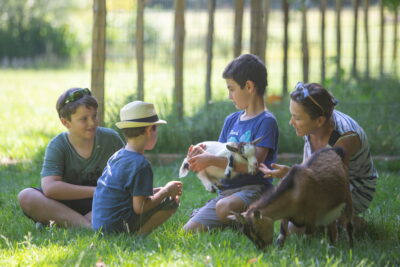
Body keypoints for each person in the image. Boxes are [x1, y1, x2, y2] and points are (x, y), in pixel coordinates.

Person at [183, 54, 279, 231]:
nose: (229, 96)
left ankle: (253, 221)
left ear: (249, 86)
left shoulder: (266, 122)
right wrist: (200, 161)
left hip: (254, 190)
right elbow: (220, 158)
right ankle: (235, 220)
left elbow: (252, 166)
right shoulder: (231, 120)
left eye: (232, 89)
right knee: (189, 231)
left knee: (224, 208)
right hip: (226, 193)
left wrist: (210, 160)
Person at [259, 82, 378, 221]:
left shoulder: (345, 138)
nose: (291, 122)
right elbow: (309, 168)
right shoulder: (311, 124)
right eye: (292, 115)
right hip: (322, 182)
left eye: (296, 117)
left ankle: (350, 221)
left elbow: (333, 184)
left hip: (353, 189)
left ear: (320, 121)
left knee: (299, 222)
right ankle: (253, 216)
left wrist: (292, 175)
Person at [18, 88, 124, 228]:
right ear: (65, 122)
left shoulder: (111, 139)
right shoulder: (58, 145)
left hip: (102, 202)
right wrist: (98, 190)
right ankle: (88, 226)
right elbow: (50, 187)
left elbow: (128, 174)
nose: (92, 123)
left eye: (94, 116)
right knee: (26, 196)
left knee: (127, 196)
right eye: (84, 119)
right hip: (66, 203)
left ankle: (62, 223)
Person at [92, 101, 183, 235]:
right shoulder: (141, 164)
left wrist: (157, 190)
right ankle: (137, 236)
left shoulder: (118, 156)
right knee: (170, 201)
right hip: (117, 228)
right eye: (155, 128)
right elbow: (140, 207)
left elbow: (125, 192)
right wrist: (166, 191)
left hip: (101, 227)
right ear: (148, 130)